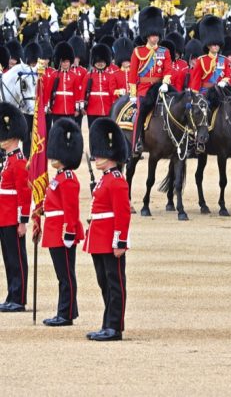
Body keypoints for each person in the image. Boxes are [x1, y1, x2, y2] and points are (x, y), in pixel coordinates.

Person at [84, 118, 130, 341]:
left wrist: (120, 242)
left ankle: (115, 326)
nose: (96, 157)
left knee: (115, 282)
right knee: (104, 282)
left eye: (100, 153)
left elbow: (123, 214)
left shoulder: (117, 180)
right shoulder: (105, 180)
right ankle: (107, 322)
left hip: (110, 240)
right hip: (99, 238)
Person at [41, 118, 84, 326]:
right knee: (63, 275)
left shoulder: (68, 178)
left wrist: (69, 232)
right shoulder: (59, 177)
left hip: (62, 232)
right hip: (53, 229)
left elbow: (70, 209)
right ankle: (67, 310)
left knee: (66, 276)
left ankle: (65, 314)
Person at [129, 6, 172, 155]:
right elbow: (133, 75)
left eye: (157, 35)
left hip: (160, 87)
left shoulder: (164, 52)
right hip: (144, 90)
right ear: (147, 35)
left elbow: (167, 70)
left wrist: (166, 84)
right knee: (140, 112)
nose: (155, 38)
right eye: (153, 35)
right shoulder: (138, 52)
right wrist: (133, 94)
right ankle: (136, 143)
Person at [0, 103, 31, 313]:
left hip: (13, 217)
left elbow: (24, 193)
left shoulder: (19, 161)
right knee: (9, 259)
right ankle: (12, 294)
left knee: (17, 258)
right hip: (4, 216)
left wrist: (23, 220)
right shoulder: (8, 160)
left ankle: (19, 298)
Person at [44, 42, 82, 134]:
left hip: (70, 109)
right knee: (58, 132)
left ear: (70, 62)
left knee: (69, 132)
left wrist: (77, 109)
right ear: (60, 62)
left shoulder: (74, 76)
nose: (65, 64)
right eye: (63, 62)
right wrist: (47, 106)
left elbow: (77, 93)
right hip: (56, 108)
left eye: (67, 62)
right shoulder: (54, 75)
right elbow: (48, 91)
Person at [190, 15, 231, 93]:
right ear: (208, 45)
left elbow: (228, 75)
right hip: (205, 92)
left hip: (220, 93)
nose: (216, 46)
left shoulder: (224, 60)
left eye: (217, 44)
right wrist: (195, 95)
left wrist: (224, 81)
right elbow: (196, 80)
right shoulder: (201, 60)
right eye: (213, 44)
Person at [81, 44, 116, 129]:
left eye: (103, 62)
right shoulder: (88, 76)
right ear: (94, 62)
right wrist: (82, 106)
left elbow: (112, 92)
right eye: (98, 62)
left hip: (107, 108)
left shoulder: (110, 76)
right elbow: (83, 92)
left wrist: (114, 106)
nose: (100, 64)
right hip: (92, 109)